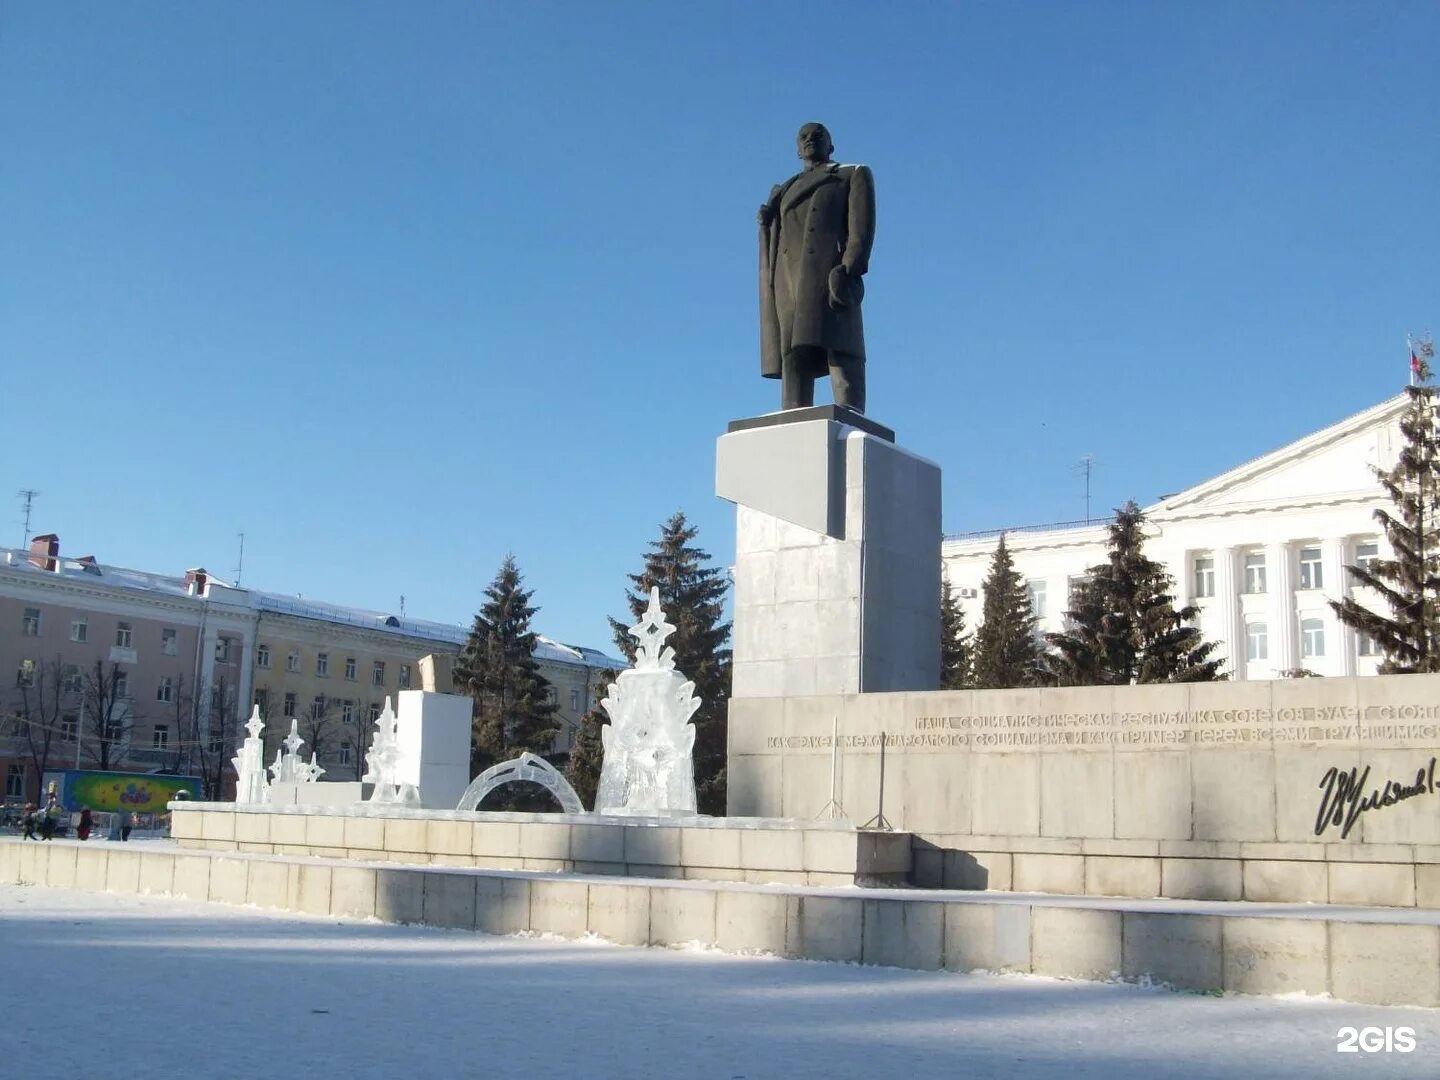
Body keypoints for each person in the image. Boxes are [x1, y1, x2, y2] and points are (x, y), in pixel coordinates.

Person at [758, 122, 876, 413]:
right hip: (789, 280)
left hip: (827, 275)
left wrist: (849, 269)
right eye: (804, 137)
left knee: (840, 348)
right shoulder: (784, 190)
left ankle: (851, 413)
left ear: (831, 145)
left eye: (818, 135)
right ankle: (793, 412)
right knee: (794, 354)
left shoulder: (850, 174)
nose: (811, 139)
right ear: (797, 148)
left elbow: (861, 229)